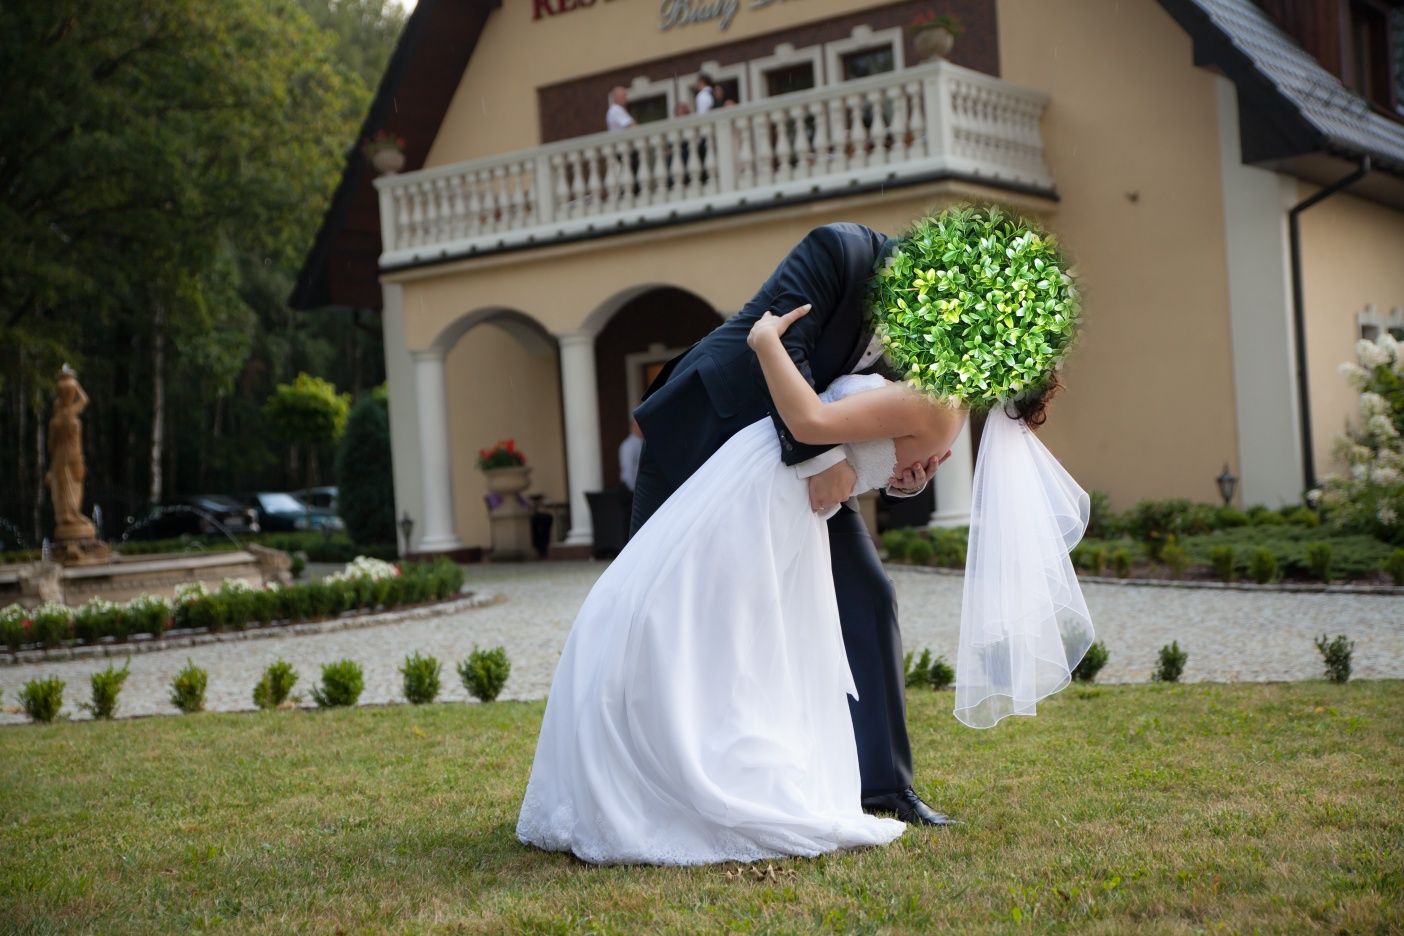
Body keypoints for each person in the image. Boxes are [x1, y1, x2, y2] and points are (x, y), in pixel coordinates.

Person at [517, 297, 971, 864]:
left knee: (737, 631)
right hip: (767, 485)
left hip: (780, 495)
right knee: (697, 617)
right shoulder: (931, 391)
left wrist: (765, 344)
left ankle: (725, 763)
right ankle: (675, 765)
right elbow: (848, 446)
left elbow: (818, 427)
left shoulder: (937, 402)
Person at [625, 223, 951, 827]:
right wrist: (823, 461)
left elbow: (879, 416)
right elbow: (778, 347)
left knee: (868, 597)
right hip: (710, 431)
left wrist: (907, 476)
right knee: (651, 603)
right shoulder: (836, 250)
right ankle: (641, 776)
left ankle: (883, 786)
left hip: (793, 469)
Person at [618, 419, 643, 491]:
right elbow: (627, 468)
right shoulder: (628, 445)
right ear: (633, 427)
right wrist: (632, 490)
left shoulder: (641, 443)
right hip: (631, 490)